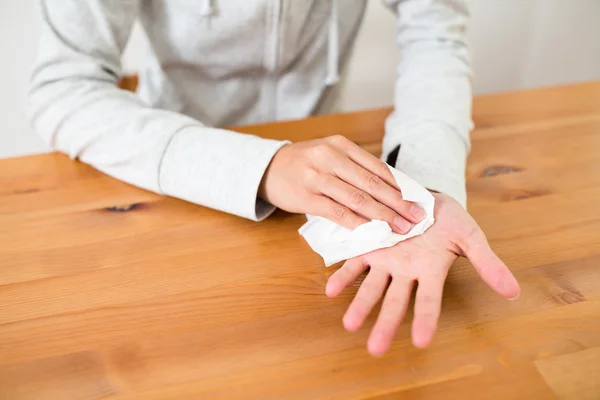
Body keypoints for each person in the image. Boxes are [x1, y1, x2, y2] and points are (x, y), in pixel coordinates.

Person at [28, 0, 520, 356]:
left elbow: (436, 33)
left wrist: (424, 185)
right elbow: (63, 88)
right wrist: (260, 167)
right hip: (166, 183)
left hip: (328, 190)